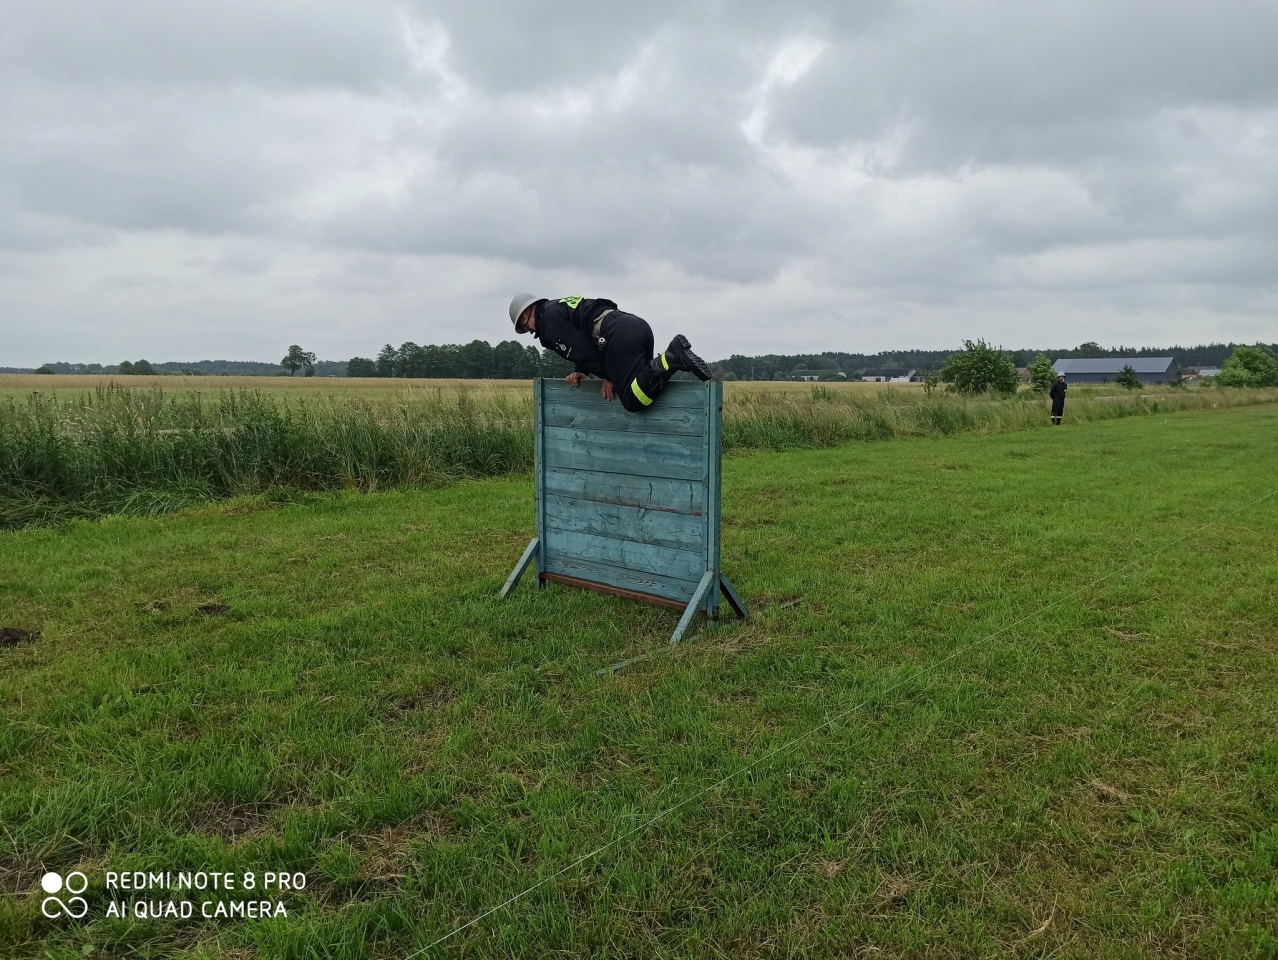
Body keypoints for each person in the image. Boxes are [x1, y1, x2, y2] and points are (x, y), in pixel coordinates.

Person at [507, 294, 712, 412]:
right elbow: (582, 334)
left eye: (525, 328)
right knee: (644, 384)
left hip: (617, 335)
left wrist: (609, 375)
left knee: (632, 400)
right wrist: (581, 371)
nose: (530, 331)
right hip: (635, 325)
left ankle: (671, 357)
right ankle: (673, 360)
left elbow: (585, 351)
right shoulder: (556, 308)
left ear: (525, 316)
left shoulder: (548, 324)